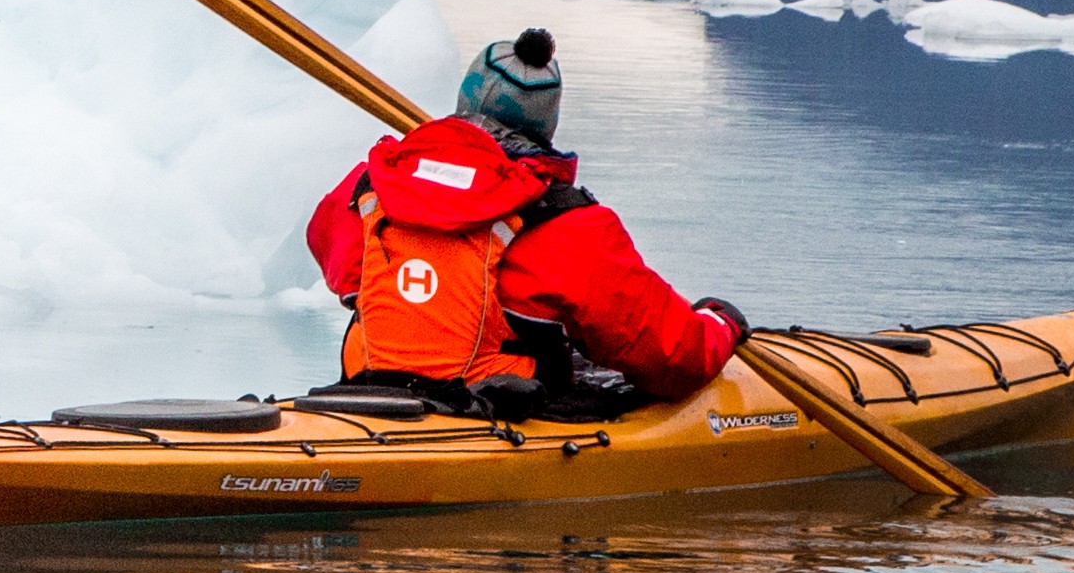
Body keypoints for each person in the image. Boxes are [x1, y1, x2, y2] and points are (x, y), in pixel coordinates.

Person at [304, 27, 744, 411]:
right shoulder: (571, 224)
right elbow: (673, 358)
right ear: (547, 122)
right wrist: (720, 325)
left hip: (368, 394)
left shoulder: (372, 185)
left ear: (465, 97)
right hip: (500, 409)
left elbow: (335, 258)